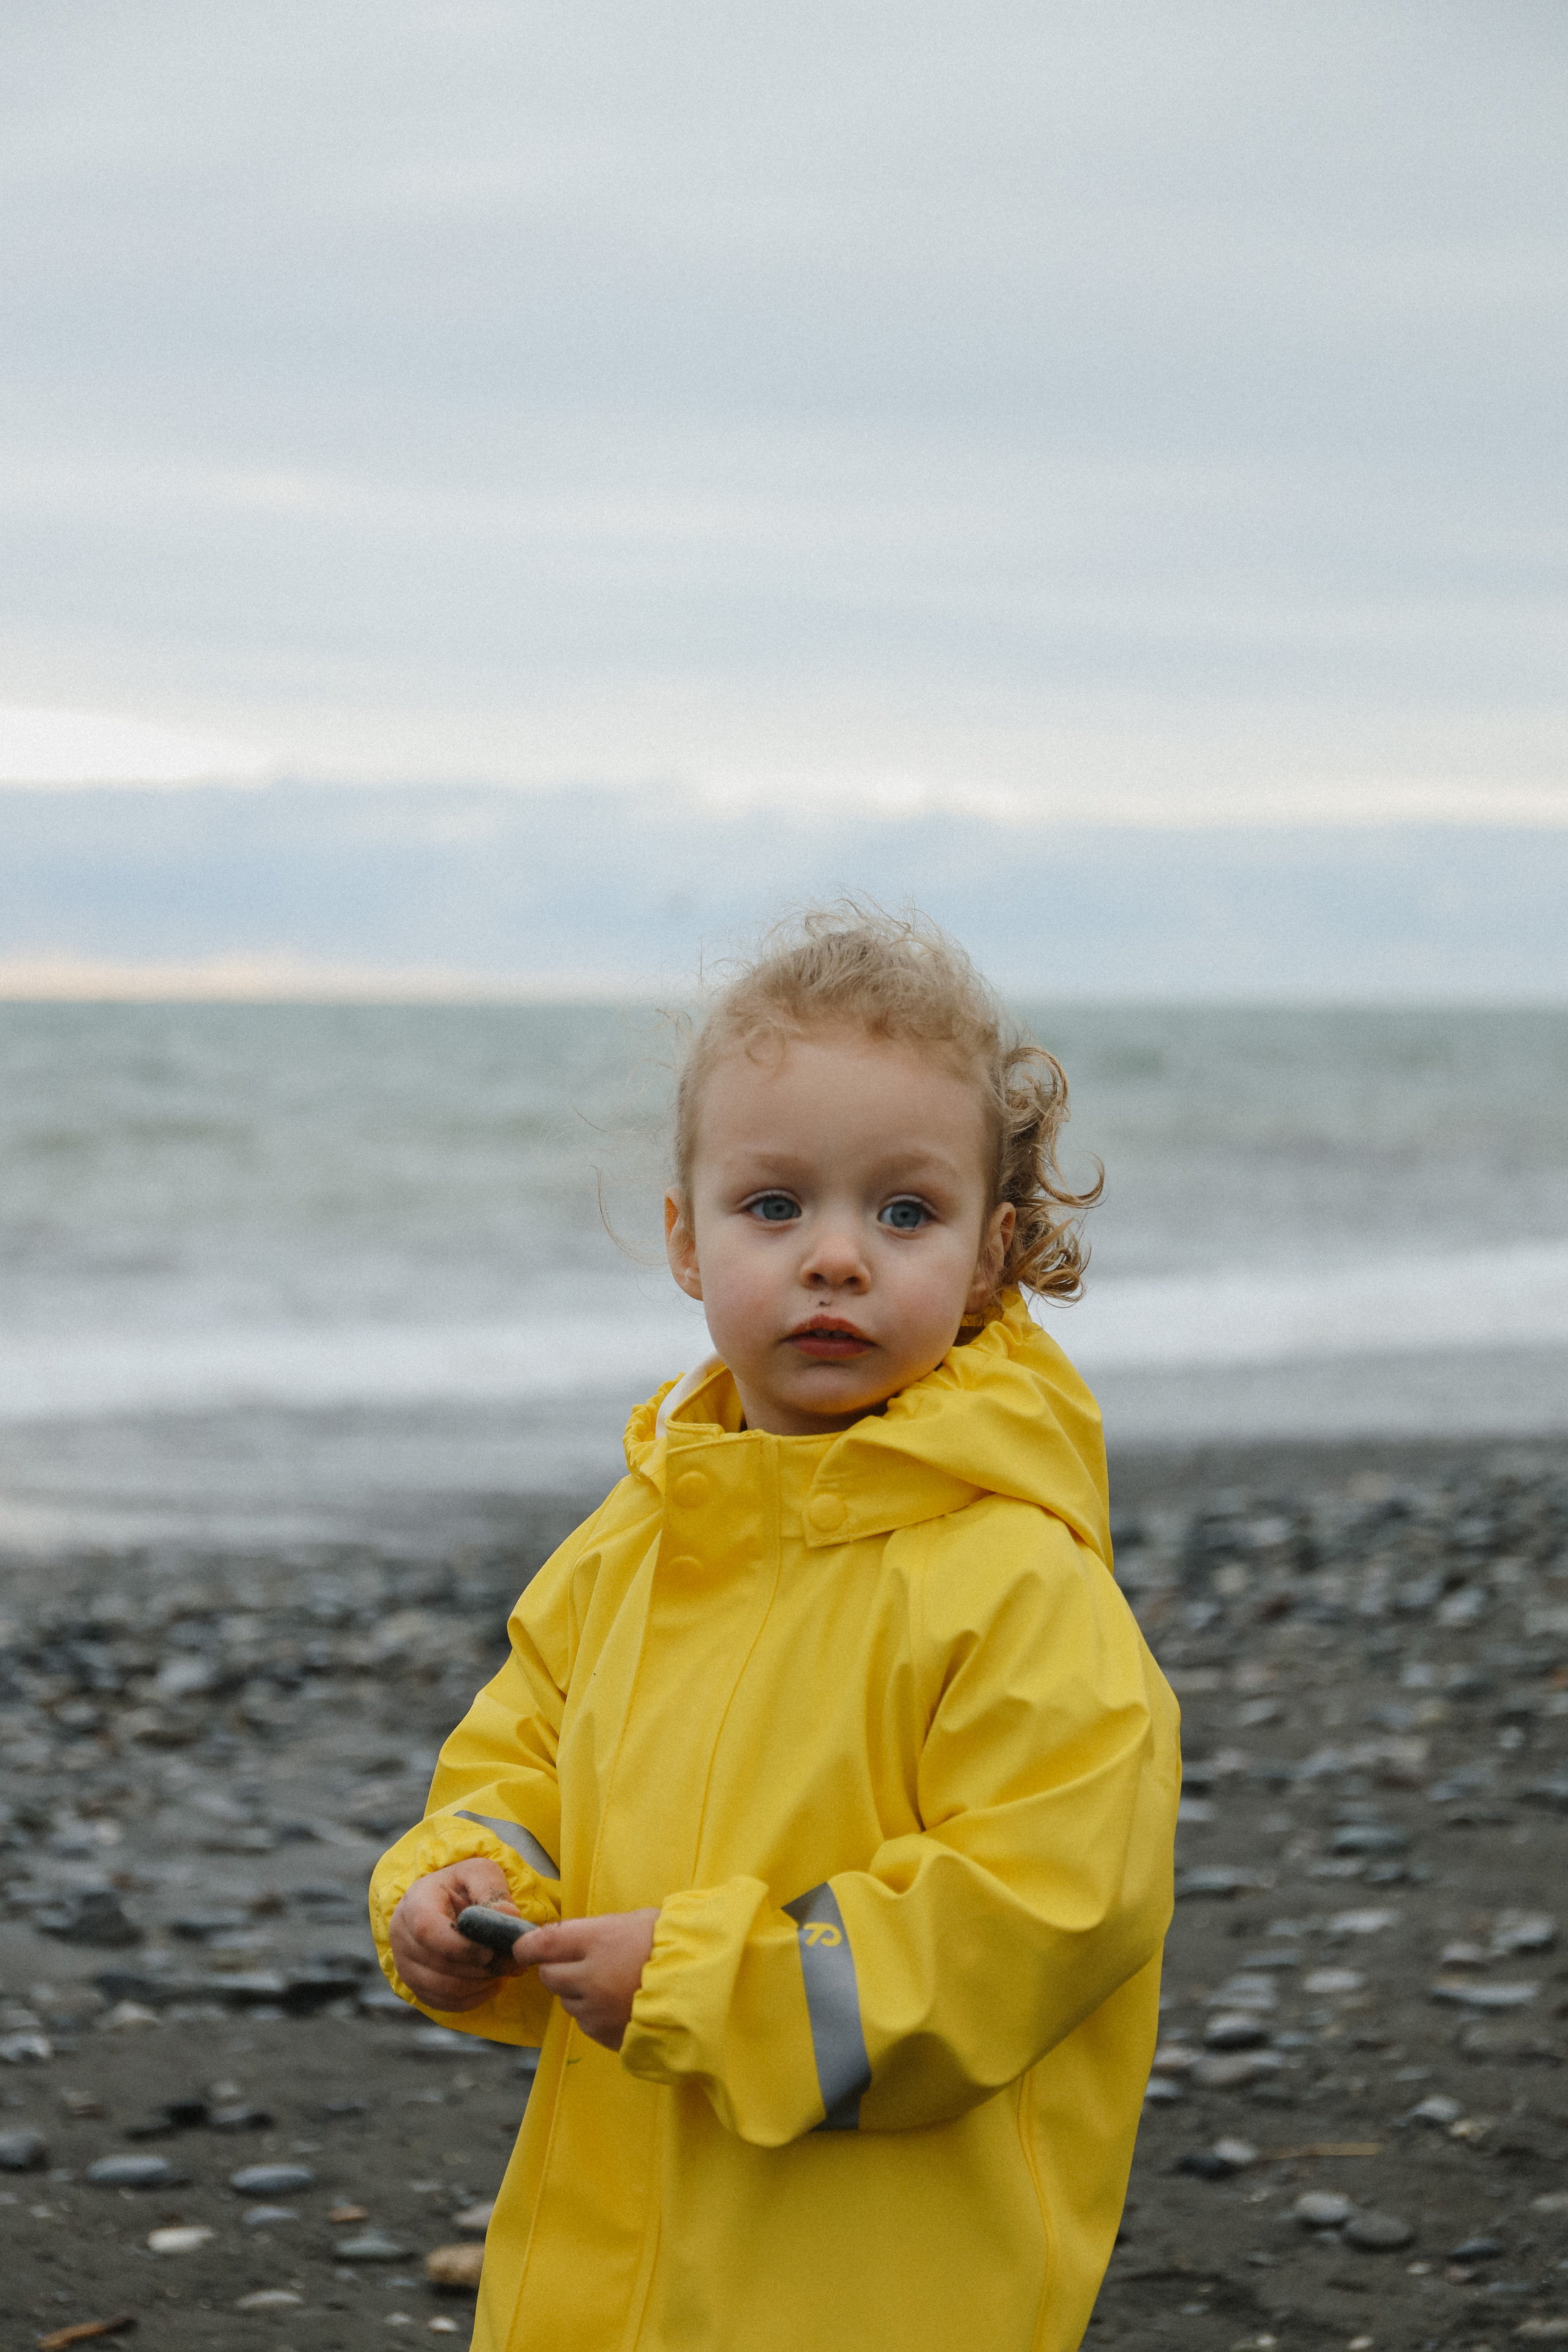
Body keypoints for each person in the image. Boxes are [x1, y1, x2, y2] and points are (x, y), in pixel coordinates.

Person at [369, 905, 1180, 2352]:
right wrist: (463, 1883)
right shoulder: (635, 1543)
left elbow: (1041, 1913)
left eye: (904, 1213)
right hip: (601, 2263)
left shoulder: (1013, 1581)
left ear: (992, 1256)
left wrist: (710, 1984)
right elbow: (521, 1762)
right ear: (685, 1241)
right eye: (773, 1207)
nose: (835, 1260)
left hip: (871, 2286)